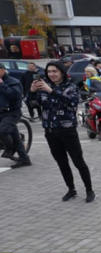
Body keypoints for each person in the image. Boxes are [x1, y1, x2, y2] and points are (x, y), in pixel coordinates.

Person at [30, 62, 95, 201]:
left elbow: (71, 102)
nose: (52, 74)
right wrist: (32, 92)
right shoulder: (44, 86)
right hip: (50, 130)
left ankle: (89, 190)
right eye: (49, 72)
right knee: (62, 162)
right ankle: (71, 189)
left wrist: (51, 91)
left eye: (55, 71)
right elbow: (33, 104)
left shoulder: (70, 86)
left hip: (67, 130)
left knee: (78, 161)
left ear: (62, 72)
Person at [0, 63, 29, 167]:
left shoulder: (13, 82)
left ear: (3, 70)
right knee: (15, 136)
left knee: (3, 131)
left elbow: (15, 96)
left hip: (11, 112)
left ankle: (10, 149)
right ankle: (24, 159)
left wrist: (2, 85)